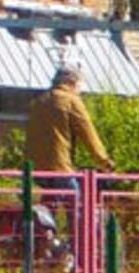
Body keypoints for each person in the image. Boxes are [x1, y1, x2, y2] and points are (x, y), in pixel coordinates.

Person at [26, 65, 113, 240]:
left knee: (50, 204)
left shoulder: (39, 101)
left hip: (35, 168)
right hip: (60, 167)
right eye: (79, 85)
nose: (80, 90)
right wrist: (105, 162)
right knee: (78, 210)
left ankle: (46, 242)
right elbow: (88, 134)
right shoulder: (70, 101)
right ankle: (79, 255)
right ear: (72, 82)